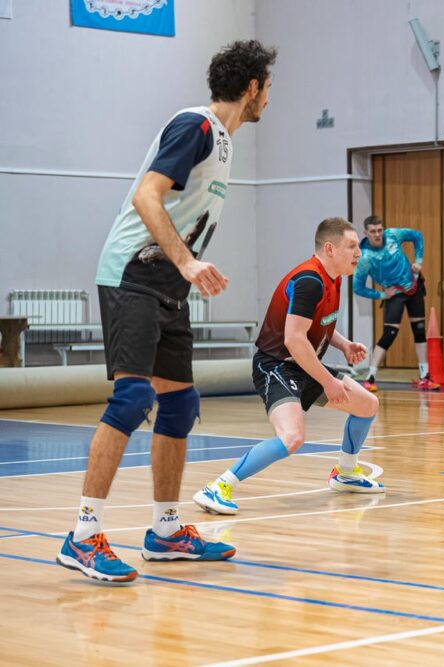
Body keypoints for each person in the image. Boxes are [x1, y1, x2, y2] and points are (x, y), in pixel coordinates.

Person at [57, 40, 277, 583]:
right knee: (133, 398)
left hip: (168, 285)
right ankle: (82, 536)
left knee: (179, 405)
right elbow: (146, 196)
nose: (269, 99)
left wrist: (184, 268)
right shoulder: (195, 126)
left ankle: (166, 531)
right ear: (252, 87)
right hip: (132, 276)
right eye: (268, 88)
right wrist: (187, 261)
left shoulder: (222, 141)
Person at [193, 218, 384, 516]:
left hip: (303, 363)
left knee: (367, 405)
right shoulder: (309, 281)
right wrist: (329, 381)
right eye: (351, 246)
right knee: (292, 437)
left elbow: (314, 324)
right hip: (276, 366)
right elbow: (294, 340)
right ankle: (217, 487)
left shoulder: (333, 277)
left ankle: (346, 473)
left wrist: (344, 345)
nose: (358, 253)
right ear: (330, 249)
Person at [353, 216, 438, 391]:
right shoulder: (365, 257)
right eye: (373, 231)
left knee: (419, 331)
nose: (378, 234)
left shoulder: (392, 235)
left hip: (413, 287)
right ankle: (370, 378)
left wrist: (418, 261)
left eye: (380, 230)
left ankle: (425, 377)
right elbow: (358, 287)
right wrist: (382, 295)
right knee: (389, 334)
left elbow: (417, 236)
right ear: (366, 233)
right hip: (394, 295)